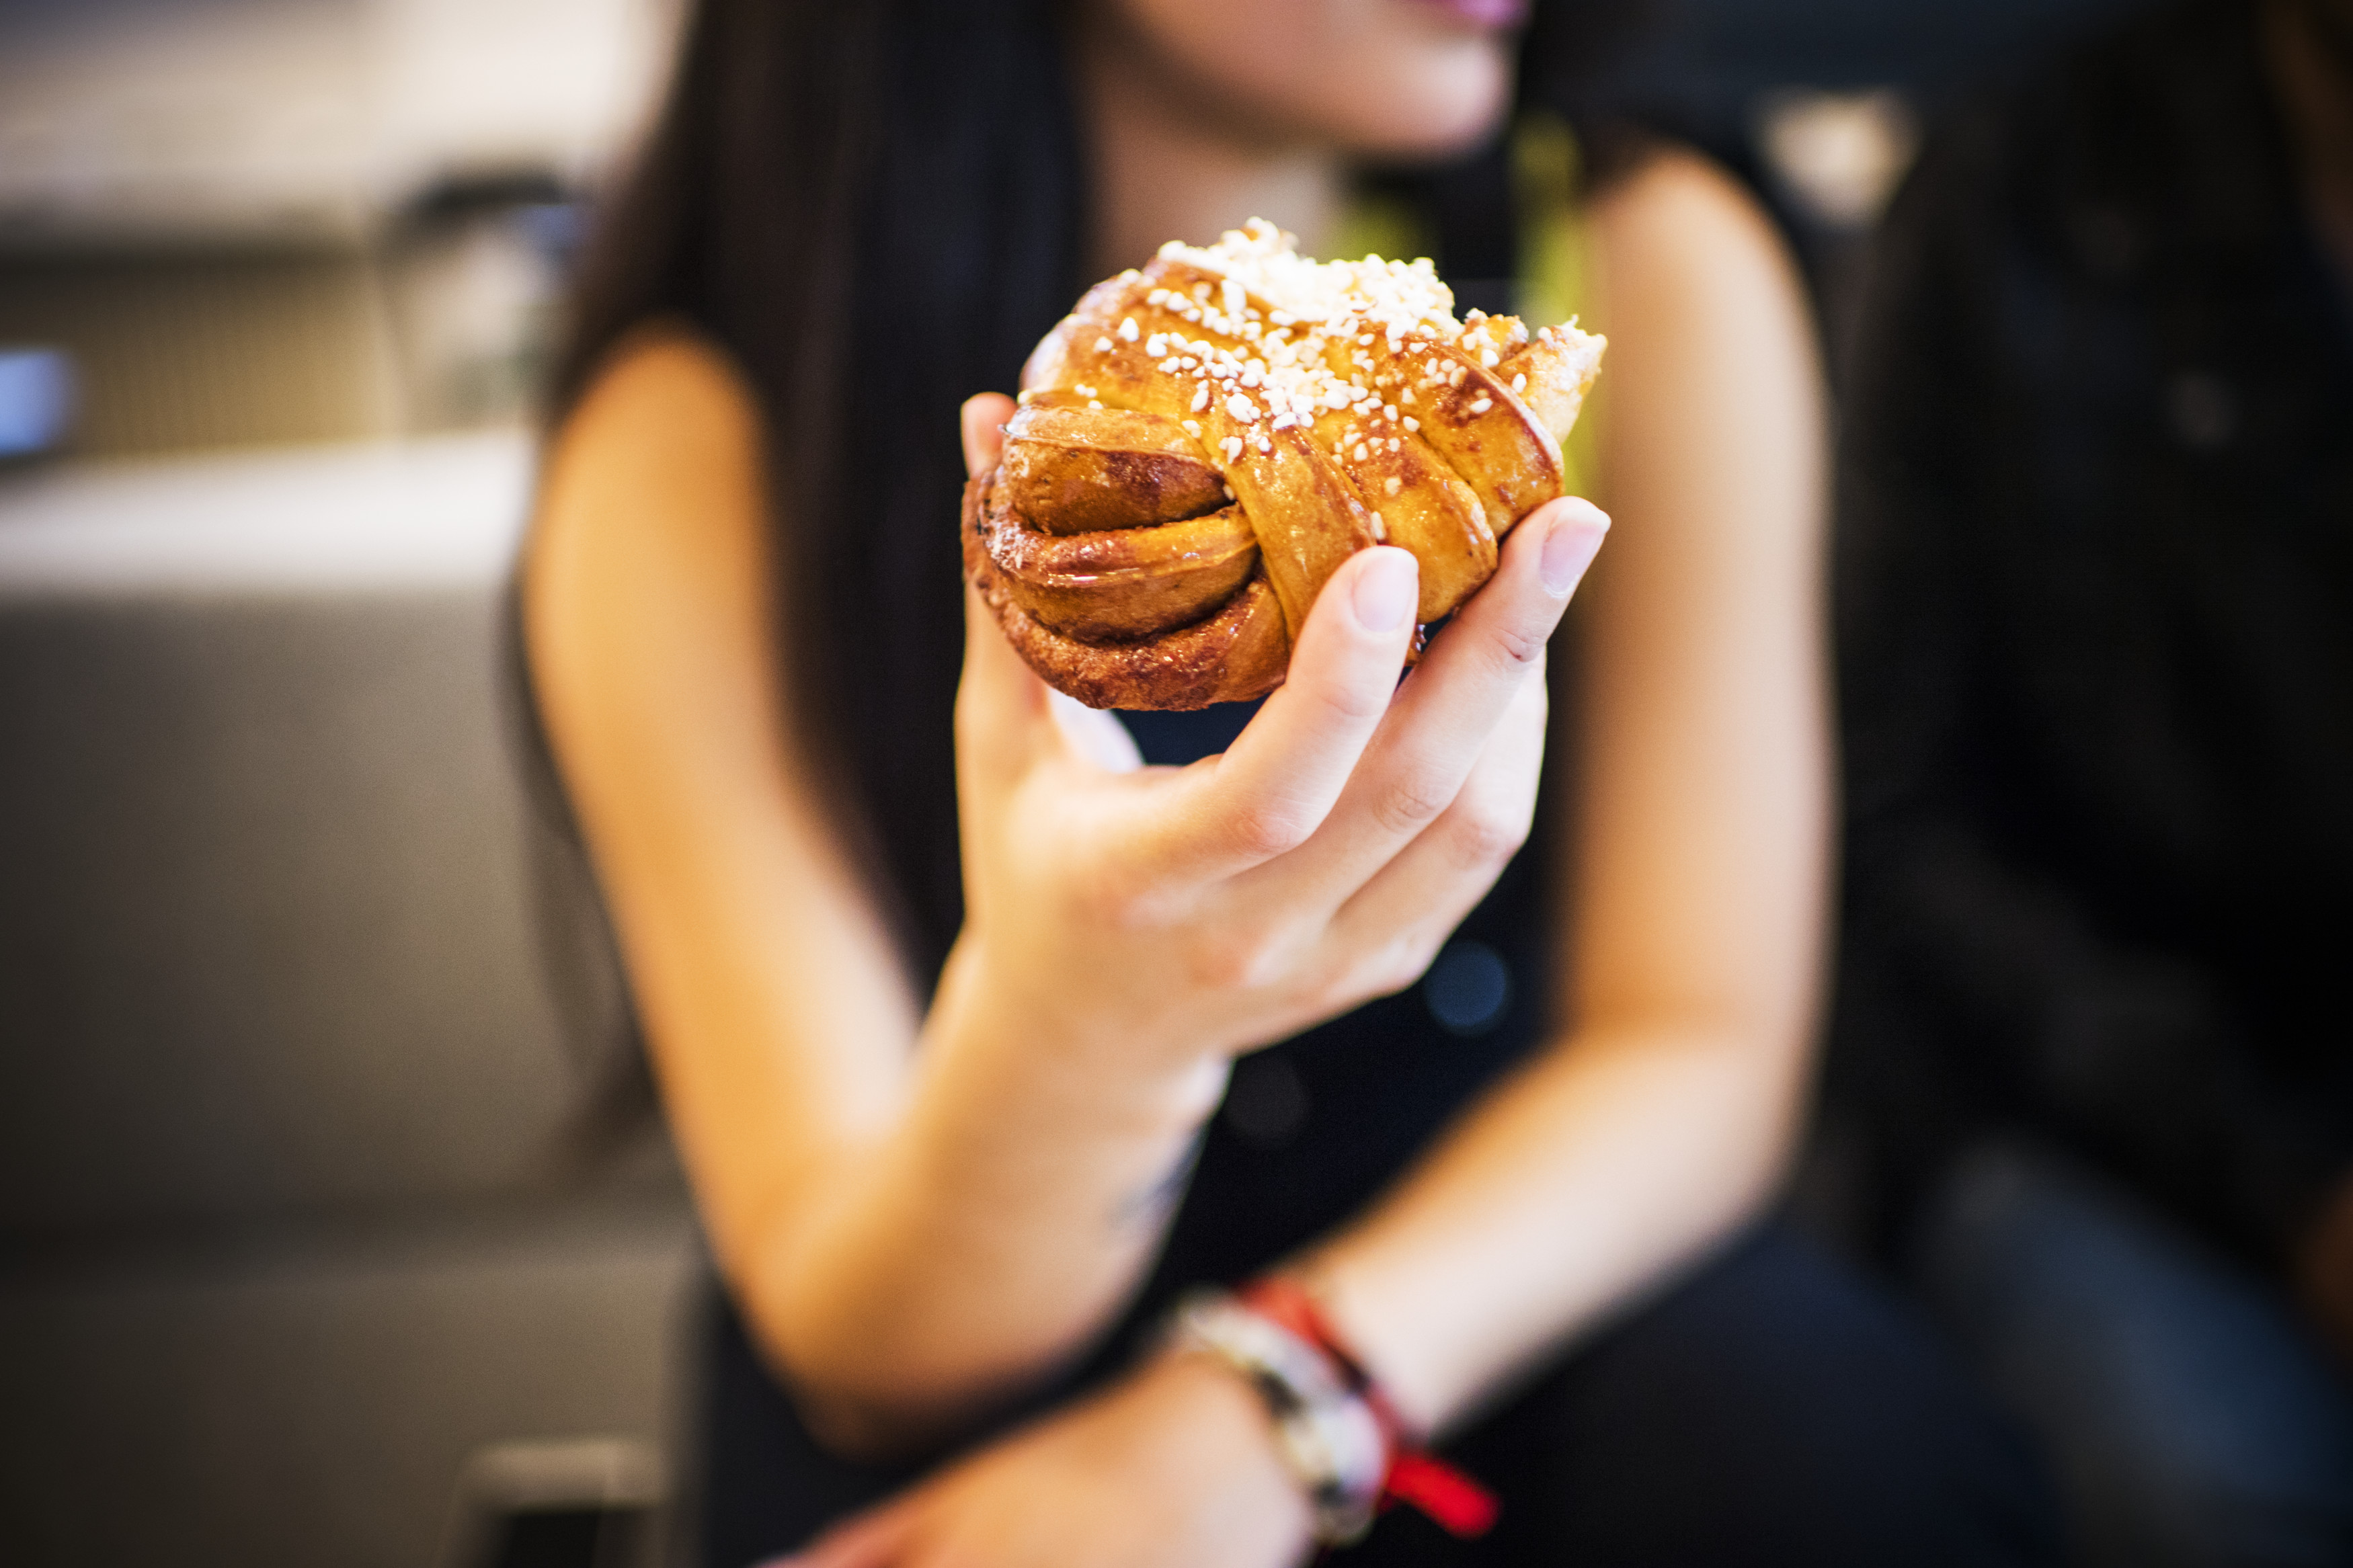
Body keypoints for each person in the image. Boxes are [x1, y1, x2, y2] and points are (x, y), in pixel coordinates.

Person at [524, 2, 2052, 1565]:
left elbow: (1696, 1046)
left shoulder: (1634, 264)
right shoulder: (696, 447)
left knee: (1843, 1472)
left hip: (1500, 1266)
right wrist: (1085, 1034)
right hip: (980, 1289)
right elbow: (863, 1347)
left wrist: (1267, 1408)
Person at [1833, 1, 2353, 1563]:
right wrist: (2291, 1187)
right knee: (2201, 1477)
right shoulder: (2023, 192)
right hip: (2120, 1122)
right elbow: (1898, 821)